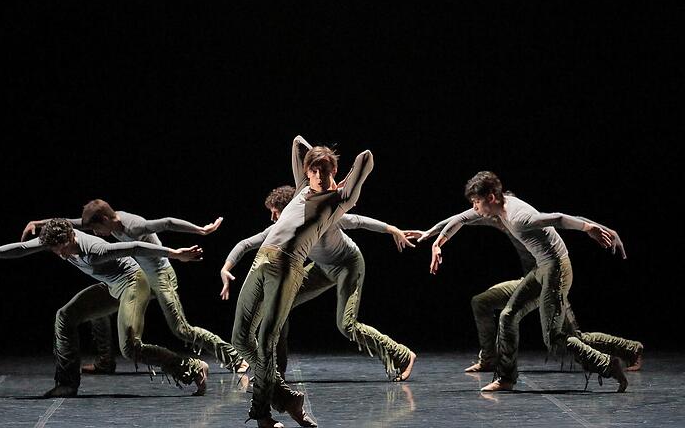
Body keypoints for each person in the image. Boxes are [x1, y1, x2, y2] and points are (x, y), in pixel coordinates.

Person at [0, 218, 209, 397]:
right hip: (111, 286)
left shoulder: (95, 249)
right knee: (65, 316)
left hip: (133, 283)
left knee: (130, 348)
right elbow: (21, 249)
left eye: (63, 250)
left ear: (71, 238)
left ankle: (192, 367)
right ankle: (66, 384)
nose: (61, 255)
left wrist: (175, 254)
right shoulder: (56, 240)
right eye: (55, 252)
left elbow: (135, 246)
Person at [425, 171, 629, 392]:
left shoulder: (517, 218)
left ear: (491, 198)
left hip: (557, 269)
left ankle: (609, 364)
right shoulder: (499, 207)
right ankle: (506, 378)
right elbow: (461, 218)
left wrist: (590, 228)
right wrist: (438, 242)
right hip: (541, 268)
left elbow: (558, 217)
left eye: (476, 202)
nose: (474, 208)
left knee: (554, 338)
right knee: (508, 315)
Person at [231, 135, 372, 428]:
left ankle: (262, 415)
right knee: (241, 339)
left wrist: (340, 179)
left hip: (288, 266)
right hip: (262, 260)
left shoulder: (339, 201)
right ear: (307, 172)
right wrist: (315, 159)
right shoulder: (301, 188)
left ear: (333, 172)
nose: (320, 175)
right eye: (315, 170)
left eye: (326, 170)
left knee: (266, 341)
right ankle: (287, 399)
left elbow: (367, 157)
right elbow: (297, 142)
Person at [406, 205, 642, 374]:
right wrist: (430, 234)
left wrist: (607, 230)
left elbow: (565, 218)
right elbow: (458, 218)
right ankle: (489, 359)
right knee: (482, 302)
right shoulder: (493, 216)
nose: (481, 213)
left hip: (550, 280)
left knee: (568, 338)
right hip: (529, 280)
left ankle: (631, 350)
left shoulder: (522, 217)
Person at [21, 202, 248, 374]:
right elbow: (70, 223)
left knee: (181, 329)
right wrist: (40, 224)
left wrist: (200, 232)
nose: (95, 235)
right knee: (96, 309)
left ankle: (235, 358)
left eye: (96, 230)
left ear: (104, 220)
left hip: (160, 276)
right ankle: (104, 362)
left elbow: (166, 222)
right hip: (139, 277)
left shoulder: (133, 225)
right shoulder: (109, 222)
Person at [221, 185, 416, 382]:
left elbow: (357, 221)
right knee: (279, 307)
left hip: (347, 265)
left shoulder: (322, 218)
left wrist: (391, 229)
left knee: (346, 325)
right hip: (321, 268)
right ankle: (275, 371)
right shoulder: (279, 229)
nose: (273, 218)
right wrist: (226, 268)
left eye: (275, 213)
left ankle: (402, 355)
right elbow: (246, 244)